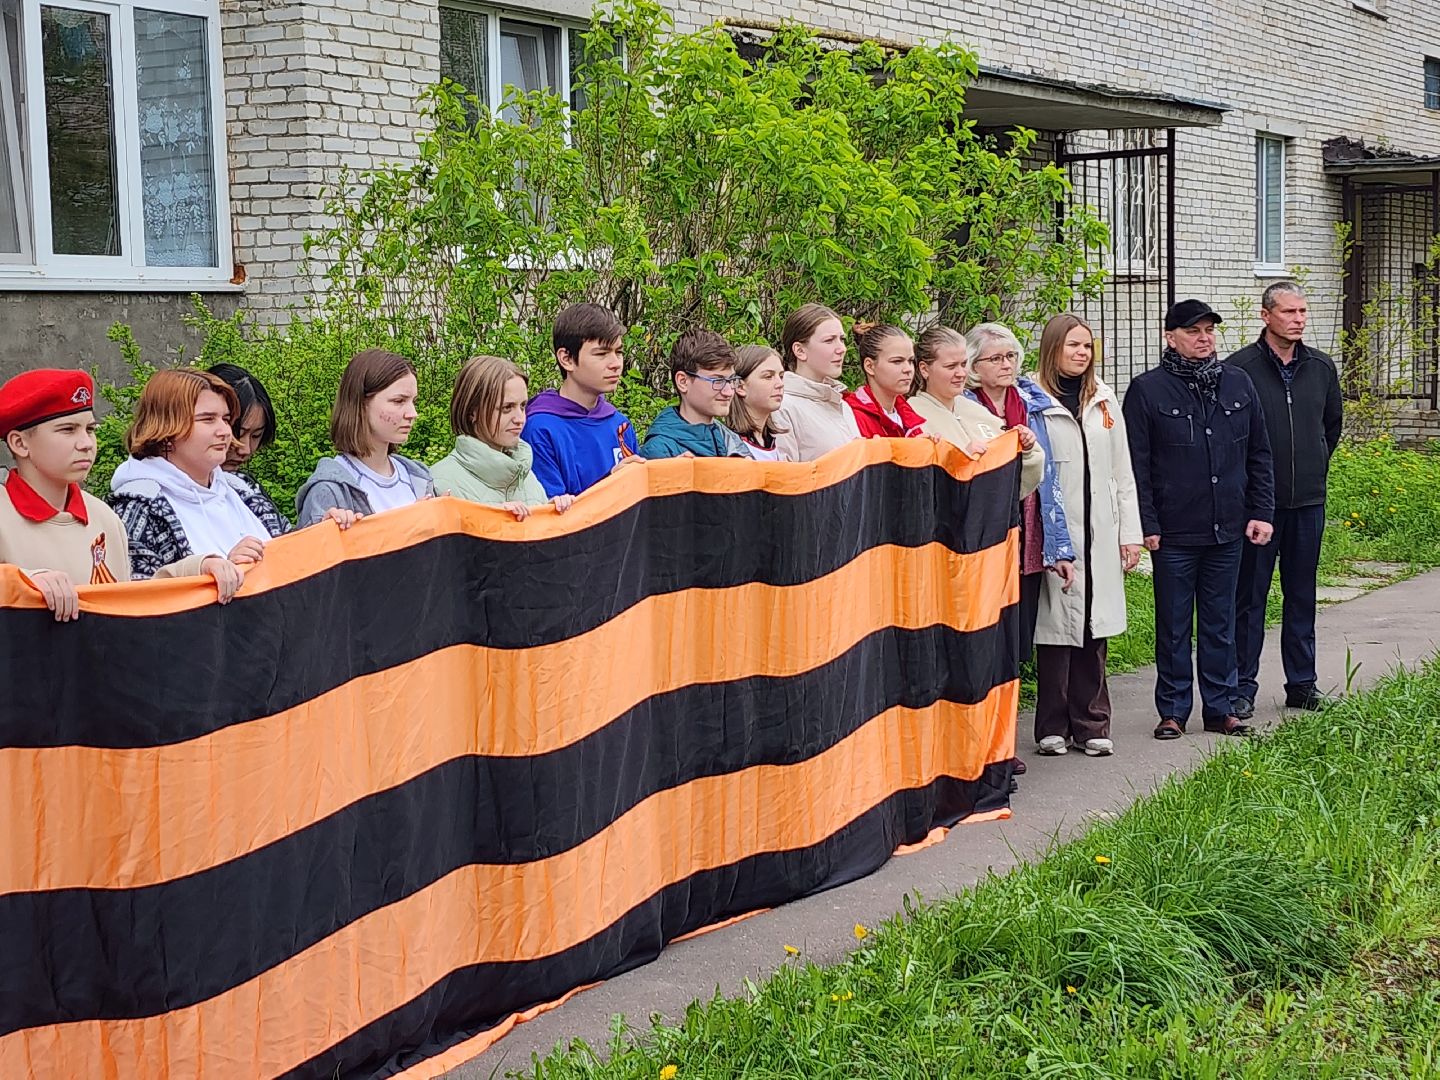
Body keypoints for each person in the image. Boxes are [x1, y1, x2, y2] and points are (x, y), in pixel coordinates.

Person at [1123, 299, 1275, 741]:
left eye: (1209, 330)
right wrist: (1145, 524)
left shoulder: (1238, 383)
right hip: (1173, 531)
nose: (1204, 338)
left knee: (1220, 621)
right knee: (1172, 624)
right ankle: (1172, 710)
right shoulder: (1148, 390)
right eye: (1193, 331)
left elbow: (1259, 454)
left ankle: (1220, 708)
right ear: (1170, 337)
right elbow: (1138, 465)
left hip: (1227, 527)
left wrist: (1261, 512)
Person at [1226, 281, 1344, 715]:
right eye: (1289, 312)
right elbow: (1230, 438)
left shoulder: (1321, 367)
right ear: (1266, 316)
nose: (1298, 320)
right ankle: (1242, 687)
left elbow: (1330, 427)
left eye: (1303, 312)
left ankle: (1302, 684)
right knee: (1249, 598)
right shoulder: (1238, 370)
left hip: (1308, 502)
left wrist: (1312, 463)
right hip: (1259, 508)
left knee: (1302, 594)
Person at [1029, 315, 1143, 757]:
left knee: (1095, 627)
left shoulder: (1104, 400)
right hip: (1059, 530)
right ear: (1053, 347)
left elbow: (1123, 471)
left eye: (1087, 347)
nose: (1082, 353)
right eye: (1073, 345)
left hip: (1101, 530)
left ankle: (1093, 722)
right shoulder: (1035, 399)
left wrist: (1129, 533)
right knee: (1055, 628)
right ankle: (1052, 725)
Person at [107, 369, 296, 592]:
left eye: (226, 419)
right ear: (168, 428)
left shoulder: (242, 489)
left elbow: (293, 556)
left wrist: (328, 530)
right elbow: (139, 603)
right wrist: (226, 573)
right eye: (208, 419)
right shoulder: (138, 508)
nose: (225, 431)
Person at [965, 322, 1077, 665]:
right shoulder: (964, 408)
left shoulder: (1033, 405)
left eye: (1011, 356)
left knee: (1017, 641)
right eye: (995, 358)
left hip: (1028, 530)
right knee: (984, 641)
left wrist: (1060, 548)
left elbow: (1049, 479)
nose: (1006, 364)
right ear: (973, 367)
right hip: (985, 534)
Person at [295, 349, 435, 526]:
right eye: (399, 401)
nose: (412, 413)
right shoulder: (329, 490)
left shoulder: (418, 477)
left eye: (413, 401)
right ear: (361, 403)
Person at [430, 355, 576, 520]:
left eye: (522, 406)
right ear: (473, 412)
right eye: (507, 408)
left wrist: (553, 515)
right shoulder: (441, 481)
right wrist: (494, 520)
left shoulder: (527, 477)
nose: (520, 418)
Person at [907, 326, 1044, 499]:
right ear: (924, 369)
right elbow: (915, 492)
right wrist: (960, 462)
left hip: (992, 523)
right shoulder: (911, 416)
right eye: (951, 366)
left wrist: (1026, 449)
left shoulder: (976, 409)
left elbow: (1015, 487)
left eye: (963, 364)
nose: (961, 373)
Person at [521, 303, 641, 496]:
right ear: (566, 359)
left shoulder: (620, 424)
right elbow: (549, 513)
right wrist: (610, 484)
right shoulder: (540, 429)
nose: (616, 364)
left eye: (619, 352)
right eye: (602, 354)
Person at [639, 330, 754, 459]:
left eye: (731, 380)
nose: (728, 392)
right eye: (717, 381)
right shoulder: (661, 449)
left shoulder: (730, 441)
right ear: (683, 382)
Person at [771, 303, 861, 462]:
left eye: (841, 339)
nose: (842, 349)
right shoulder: (782, 407)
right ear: (799, 350)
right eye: (829, 340)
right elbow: (786, 479)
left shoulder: (843, 406)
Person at [208, 362, 288, 527]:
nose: (246, 449)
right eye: (238, 433)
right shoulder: (157, 496)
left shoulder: (247, 486)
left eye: (256, 436)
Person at [843, 322, 927, 438]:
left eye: (911, 361)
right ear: (870, 366)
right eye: (897, 361)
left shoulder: (907, 416)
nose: (908, 369)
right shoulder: (851, 415)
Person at [727, 345, 790, 461]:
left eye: (781, 376)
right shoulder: (728, 446)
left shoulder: (776, 443)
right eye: (768, 377)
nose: (780, 383)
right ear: (740, 387)